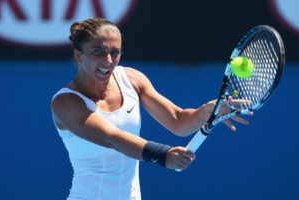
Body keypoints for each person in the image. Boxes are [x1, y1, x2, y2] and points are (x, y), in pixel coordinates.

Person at [51, 17, 251, 200]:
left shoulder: (131, 79)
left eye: (115, 52)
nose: (108, 61)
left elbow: (177, 120)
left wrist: (205, 112)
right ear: (78, 54)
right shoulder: (65, 102)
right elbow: (111, 137)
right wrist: (163, 154)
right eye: (98, 52)